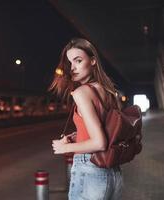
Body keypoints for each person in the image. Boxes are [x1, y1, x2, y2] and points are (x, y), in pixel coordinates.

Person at [49, 38, 123, 200]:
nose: (72, 68)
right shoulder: (108, 90)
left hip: (90, 168)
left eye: (78, 60)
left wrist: (64, 148)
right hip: (112, 171)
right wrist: (76, 136)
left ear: (93, 60)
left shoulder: (82, 92)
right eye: (69, 63)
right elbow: (108, 127)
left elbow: (99, 142)